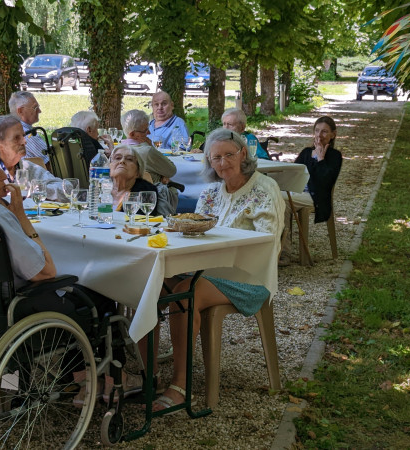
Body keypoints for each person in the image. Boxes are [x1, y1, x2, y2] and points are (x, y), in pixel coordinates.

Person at [0, 135, 142, 402]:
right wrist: (21, 218)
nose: (3, 175)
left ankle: (48, 381)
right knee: (98, 292)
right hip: (11, 316)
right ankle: (95, 380)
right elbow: (44, 272)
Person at [152, 128, 285, 412]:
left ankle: (179, 386)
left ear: (243, 154)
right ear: (209, 162)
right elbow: (196, 231)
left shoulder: (264, 189)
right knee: (153, 281)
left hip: (248, 277)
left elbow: (268, 242)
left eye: (229, 155)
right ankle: (147, 373)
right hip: (206, 269)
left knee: (185, 292)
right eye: (216, 158)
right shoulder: (211, 191)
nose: (223, 163)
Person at [280, 116, 343, 265]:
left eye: (324, 132)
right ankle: (280, 251)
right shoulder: (306, 152)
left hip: (317, 198)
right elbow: (293, 173)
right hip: (298, 192)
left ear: (333, 134)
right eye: (317, 131)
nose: (320, 135)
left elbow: (326, 181)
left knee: (280, 199)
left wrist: (321, 159)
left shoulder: (335, 156)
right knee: (277, 200)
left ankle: (284, 253)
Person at [0, 115, 67, 201]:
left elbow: (66, 188)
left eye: (23, 136)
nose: (24, 141)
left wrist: (36, 190)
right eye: (16, 138)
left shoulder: (26, 167)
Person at [121, 109, 179, 214]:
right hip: (150, 202)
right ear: (133, 134)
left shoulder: (116, 152)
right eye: (145, 130)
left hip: (123, 202)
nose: (149, 132)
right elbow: (172, 170)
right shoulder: (146, 151)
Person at [108, 145, 168, 216]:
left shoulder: (146, 191)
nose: (122, 161)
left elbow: (142, 222)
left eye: (129, 159)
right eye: (117, 158)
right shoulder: (99, 186)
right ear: (109, 166)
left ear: (138, 172)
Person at [8, 91, 50, 168]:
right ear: (20, 111)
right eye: (35, 107)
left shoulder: (11, 129)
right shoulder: (27, 134)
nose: (39, 111)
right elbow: (52, 163)